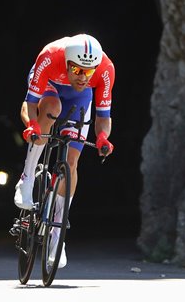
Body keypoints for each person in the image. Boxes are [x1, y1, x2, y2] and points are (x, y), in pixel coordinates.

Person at [14, 33, 115, 268]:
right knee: (51, 107)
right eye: (78, 70)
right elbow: (30, 102)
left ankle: (57, 233)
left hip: (79, 100)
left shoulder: (105, 69)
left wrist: (102, 138)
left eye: (88, 72)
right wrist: (32, 126)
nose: (83, 77)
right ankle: (27, 178)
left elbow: (103, 116)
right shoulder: (50, 56)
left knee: (72, 161)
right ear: (68, 63)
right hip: (48, 87)